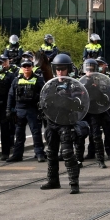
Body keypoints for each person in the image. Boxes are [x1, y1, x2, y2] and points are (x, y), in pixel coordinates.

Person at [40, 54, 84, 193]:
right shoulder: (50, 84)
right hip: (52, 122)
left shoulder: (74, 84)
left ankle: (74, 183)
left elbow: (80, 104)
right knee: (51, 153)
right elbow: (43, 100)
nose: (60, 71)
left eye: (63, 69)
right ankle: (53, 180)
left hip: (67, 121)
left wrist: (66, 100)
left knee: (67, 153)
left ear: (68, 69)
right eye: (57, 69)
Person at [6, 57, 46, 163]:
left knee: (36, 133)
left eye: (28, 66)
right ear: (21, 68)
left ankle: (40, 154)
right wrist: (8, 110)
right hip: (19, 110)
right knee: (19, 134)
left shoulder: (38, 79)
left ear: (32, 67)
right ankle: (17, 155)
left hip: (32, 110)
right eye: (24, 66)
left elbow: (44, 94)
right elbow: (11, 95)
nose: (26, 68)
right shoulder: (17, 80)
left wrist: (42, 109)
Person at [81, 59, 110, 169]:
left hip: (95, 111)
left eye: (91, 69)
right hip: (83, 111)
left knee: (96, 135)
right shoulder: (80, 81)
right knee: (79, 134)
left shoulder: (100, 81)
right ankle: (79, 160)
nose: (89, 71)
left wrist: (96, 88)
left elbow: (105, 97)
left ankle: (100, 160)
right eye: (87, 69)